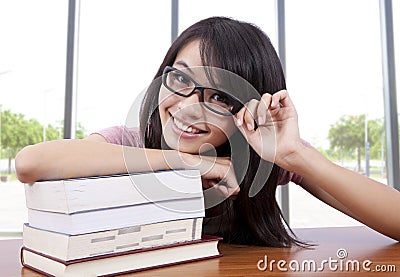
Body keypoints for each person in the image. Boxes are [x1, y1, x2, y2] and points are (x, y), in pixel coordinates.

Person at [15, 17, 400, 246]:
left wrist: (296, 156)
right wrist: (188, 164)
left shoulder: (262, 155)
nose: (186, 105)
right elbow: (31, 162)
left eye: (218, 96)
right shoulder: (130, 142)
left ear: (249, 109)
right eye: (179, 78)